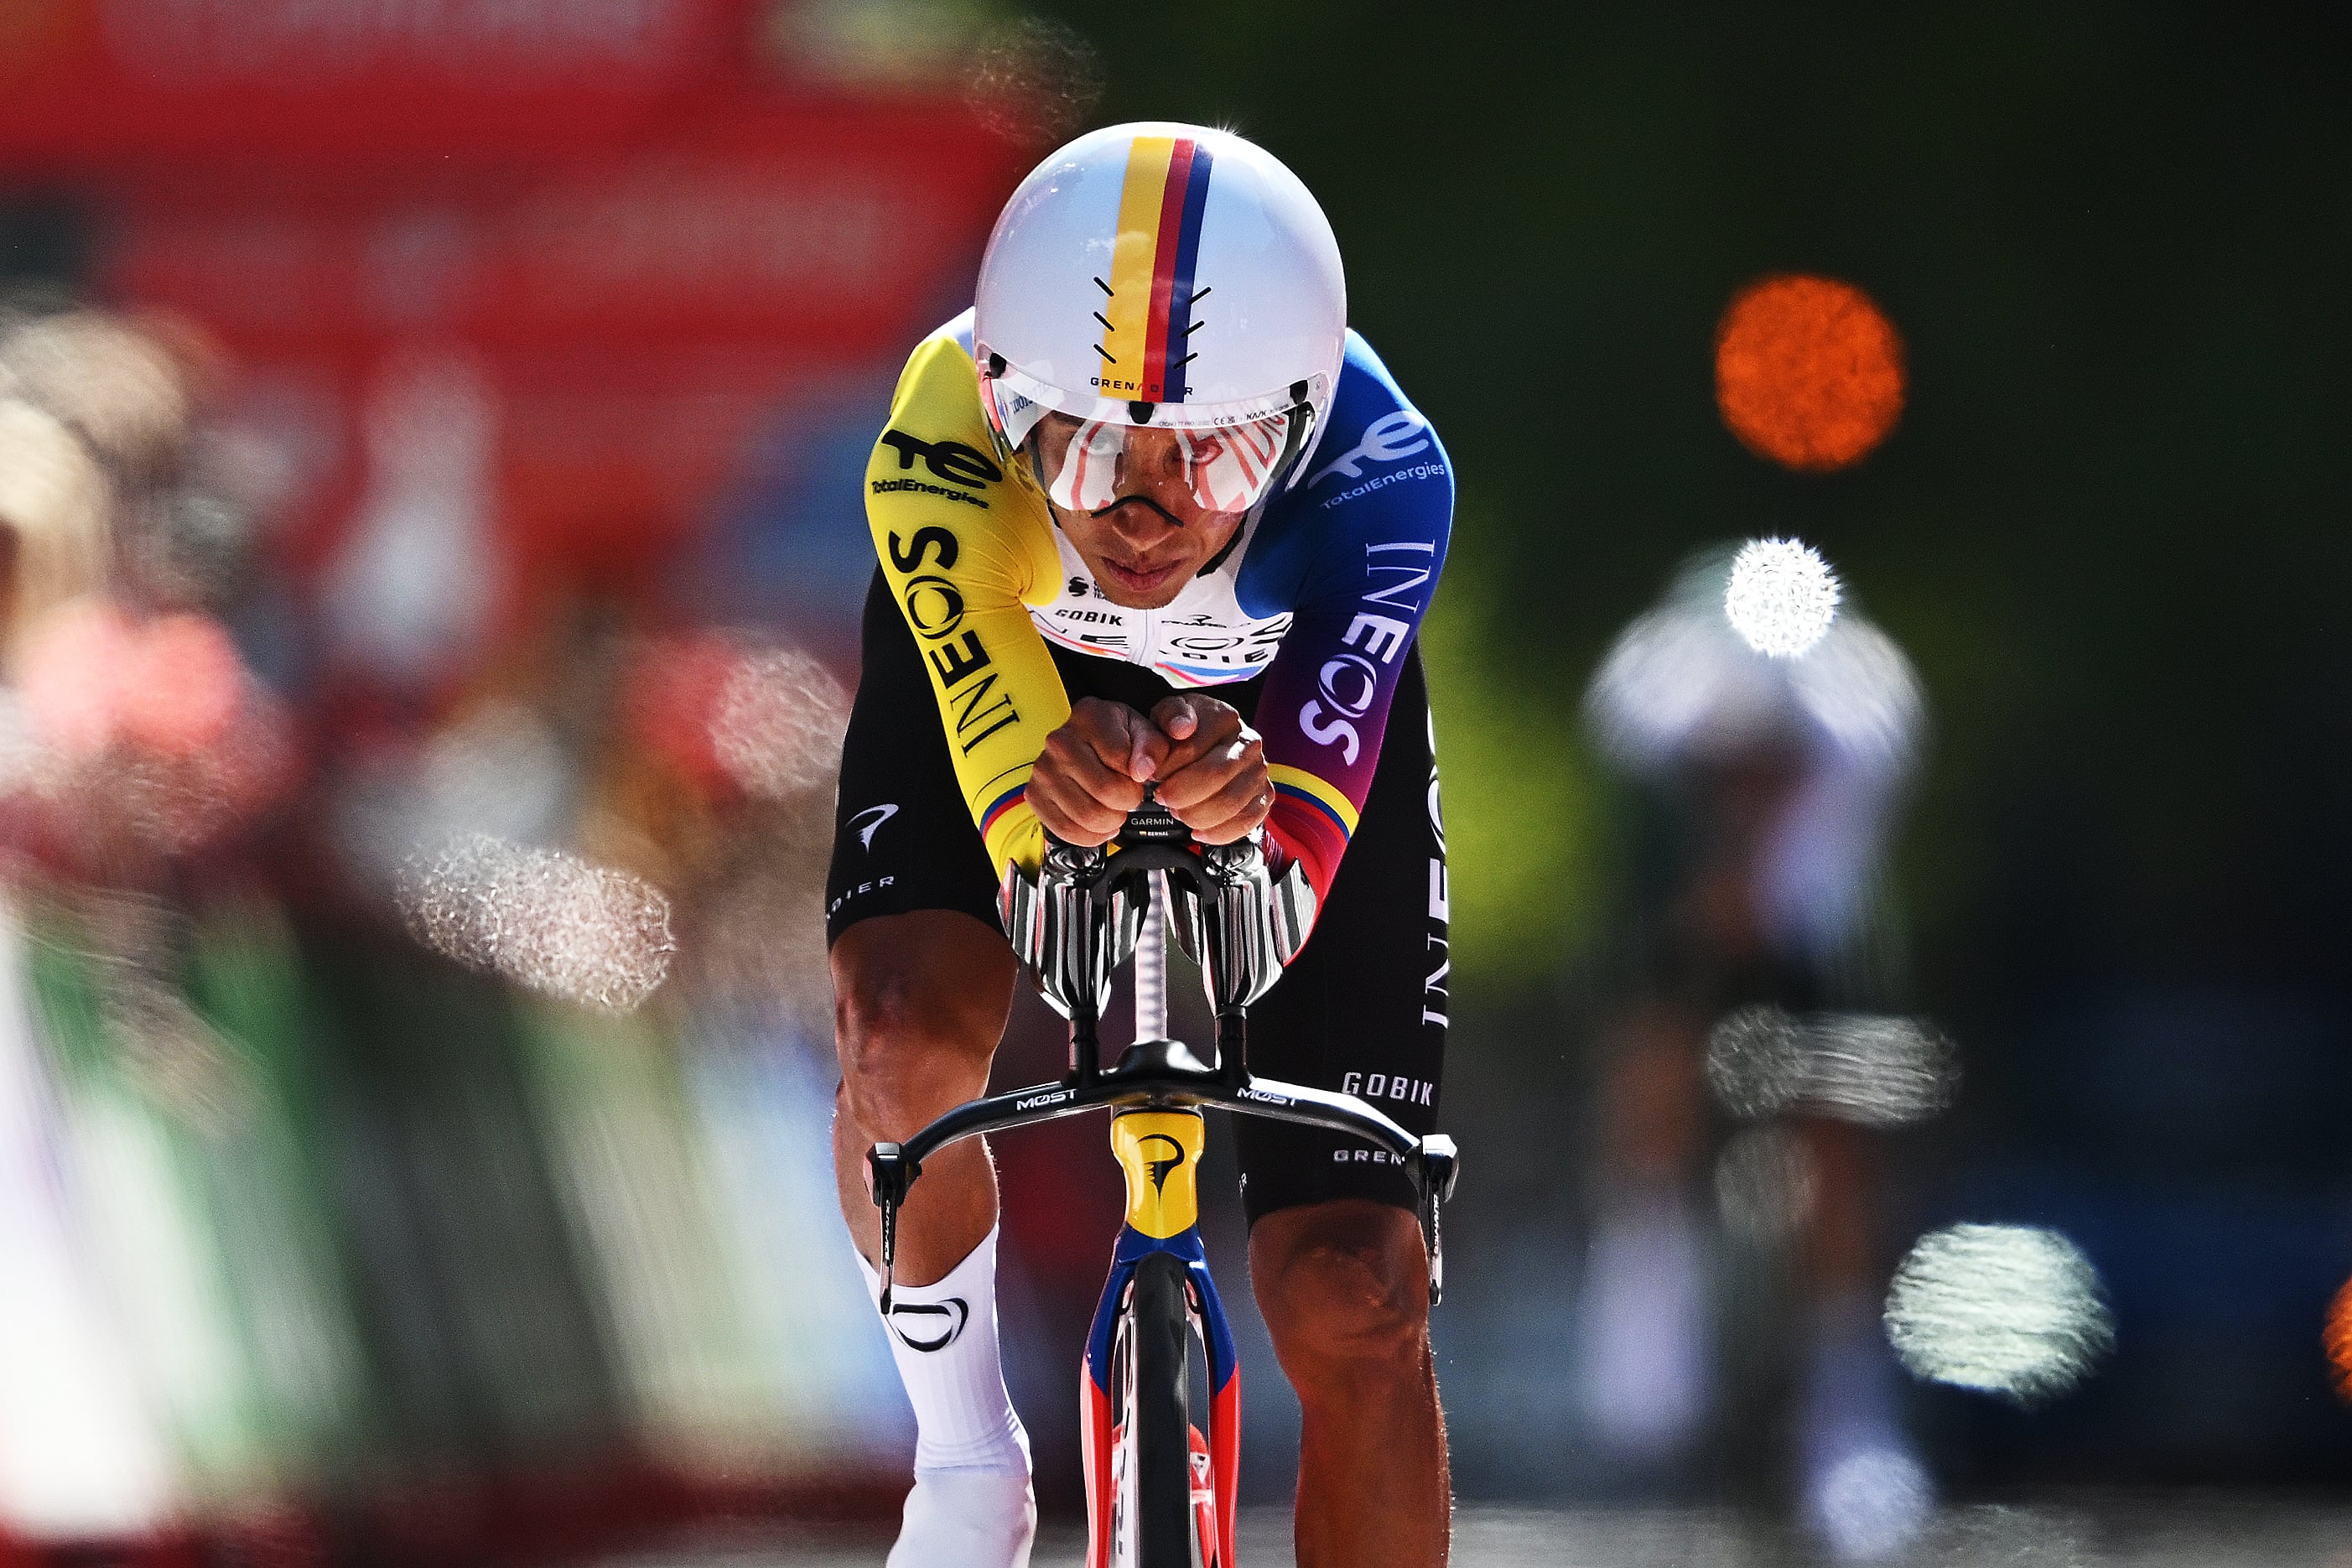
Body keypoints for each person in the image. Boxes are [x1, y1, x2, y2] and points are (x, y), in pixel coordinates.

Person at [824, 123, 1454, 1566]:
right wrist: (1042, 808)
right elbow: (1013, 822)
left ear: (1293, 430)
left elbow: (1288, 889)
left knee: (1353, 1288)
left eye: (1218, 456)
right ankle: (969, 1462)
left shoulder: (1383, 476)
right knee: (903, 1040)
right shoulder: (934, 437)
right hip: (1013, 683)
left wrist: (1273, 801)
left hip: (1281, 711)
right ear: (1002, 403)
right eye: (1093, 443)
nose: (1147, 508)